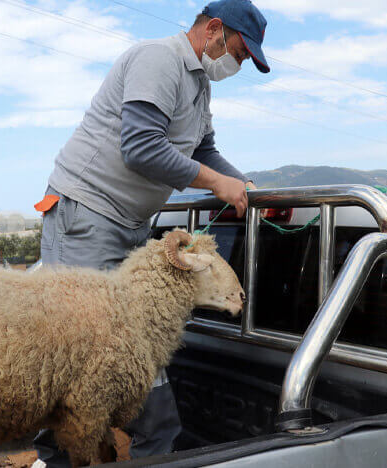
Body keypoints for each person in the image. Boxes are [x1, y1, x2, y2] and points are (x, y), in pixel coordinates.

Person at [33, 0, 269, 465]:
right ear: (214, 30)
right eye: (240, 54)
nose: (238, 65)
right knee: (75, 352)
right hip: (87, 215)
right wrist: (216, 183)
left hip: (130, 225)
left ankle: (141, 438)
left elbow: (205, 150)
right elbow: (141, 147)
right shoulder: (158, 59)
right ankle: (53, 458)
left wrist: (243, 185)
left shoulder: (199, 84)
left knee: (121, 356)